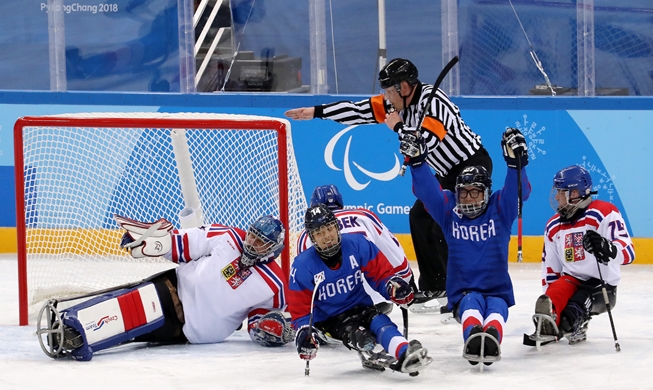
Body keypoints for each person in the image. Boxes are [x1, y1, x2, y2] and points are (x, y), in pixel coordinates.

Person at [285, 58, 493, 305]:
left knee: (443, 225)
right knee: (419, 217)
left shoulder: (435, 104)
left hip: (470, 167)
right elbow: (359, 111)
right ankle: (435, 285)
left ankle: (460, 291)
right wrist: (317, 112)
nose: (385, 96)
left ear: (404, 88)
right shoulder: (397, 101)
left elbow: (421, 147)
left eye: (388, 90)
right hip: (447, 173)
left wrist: (398, 127)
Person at [36, 214, 293, 361]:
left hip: (189, 333)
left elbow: (258, 322)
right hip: (172, 289)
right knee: (126, 307)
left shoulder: (275, 284)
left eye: (260, 242)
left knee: (130, 332)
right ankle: (68, 324)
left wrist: (268, 329)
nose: (251, 243)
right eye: (252, 235)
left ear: (273, 249)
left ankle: (76, 335)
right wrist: (158, 244)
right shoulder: (228, 236)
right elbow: (186, 242)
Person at [399, 127, 530, 366]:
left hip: (497, 289)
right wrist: (417, 162)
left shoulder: (500, 209)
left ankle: (491, 337)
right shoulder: (449, 211)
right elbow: (428, 192)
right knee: (471, 305)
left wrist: (516, 165)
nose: (468, 198)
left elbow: (518, 192)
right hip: (464, 293)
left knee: (496, 307)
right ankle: (472, 338)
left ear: (486, 193)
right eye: (463, 192)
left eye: (475, 192)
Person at [287, 204, 432, 374]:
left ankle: (404, 351)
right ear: (312, 237)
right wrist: (305, 333)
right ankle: (368, 349)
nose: (326, 236)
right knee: (363, 337)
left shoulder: (358, 244)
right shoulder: (303, 265)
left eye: (329, 229)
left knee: (381, 323)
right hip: (329, 320)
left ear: (337, 226)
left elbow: (381, 275)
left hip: (361, 306)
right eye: (319, 233)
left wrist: (393, 287)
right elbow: (300, 310)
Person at [527, 165, 635, 346]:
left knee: (572, 312)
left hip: (601, 285)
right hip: (571, 279)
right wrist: (553, 300)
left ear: (575, 192)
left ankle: (572, 323)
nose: (556, 197)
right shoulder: (554, 225)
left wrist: (606, 247)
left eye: (561, 192)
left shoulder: (604, 212)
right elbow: (551, 268)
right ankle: (549, 318)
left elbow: (629, 253)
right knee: (552, 298)